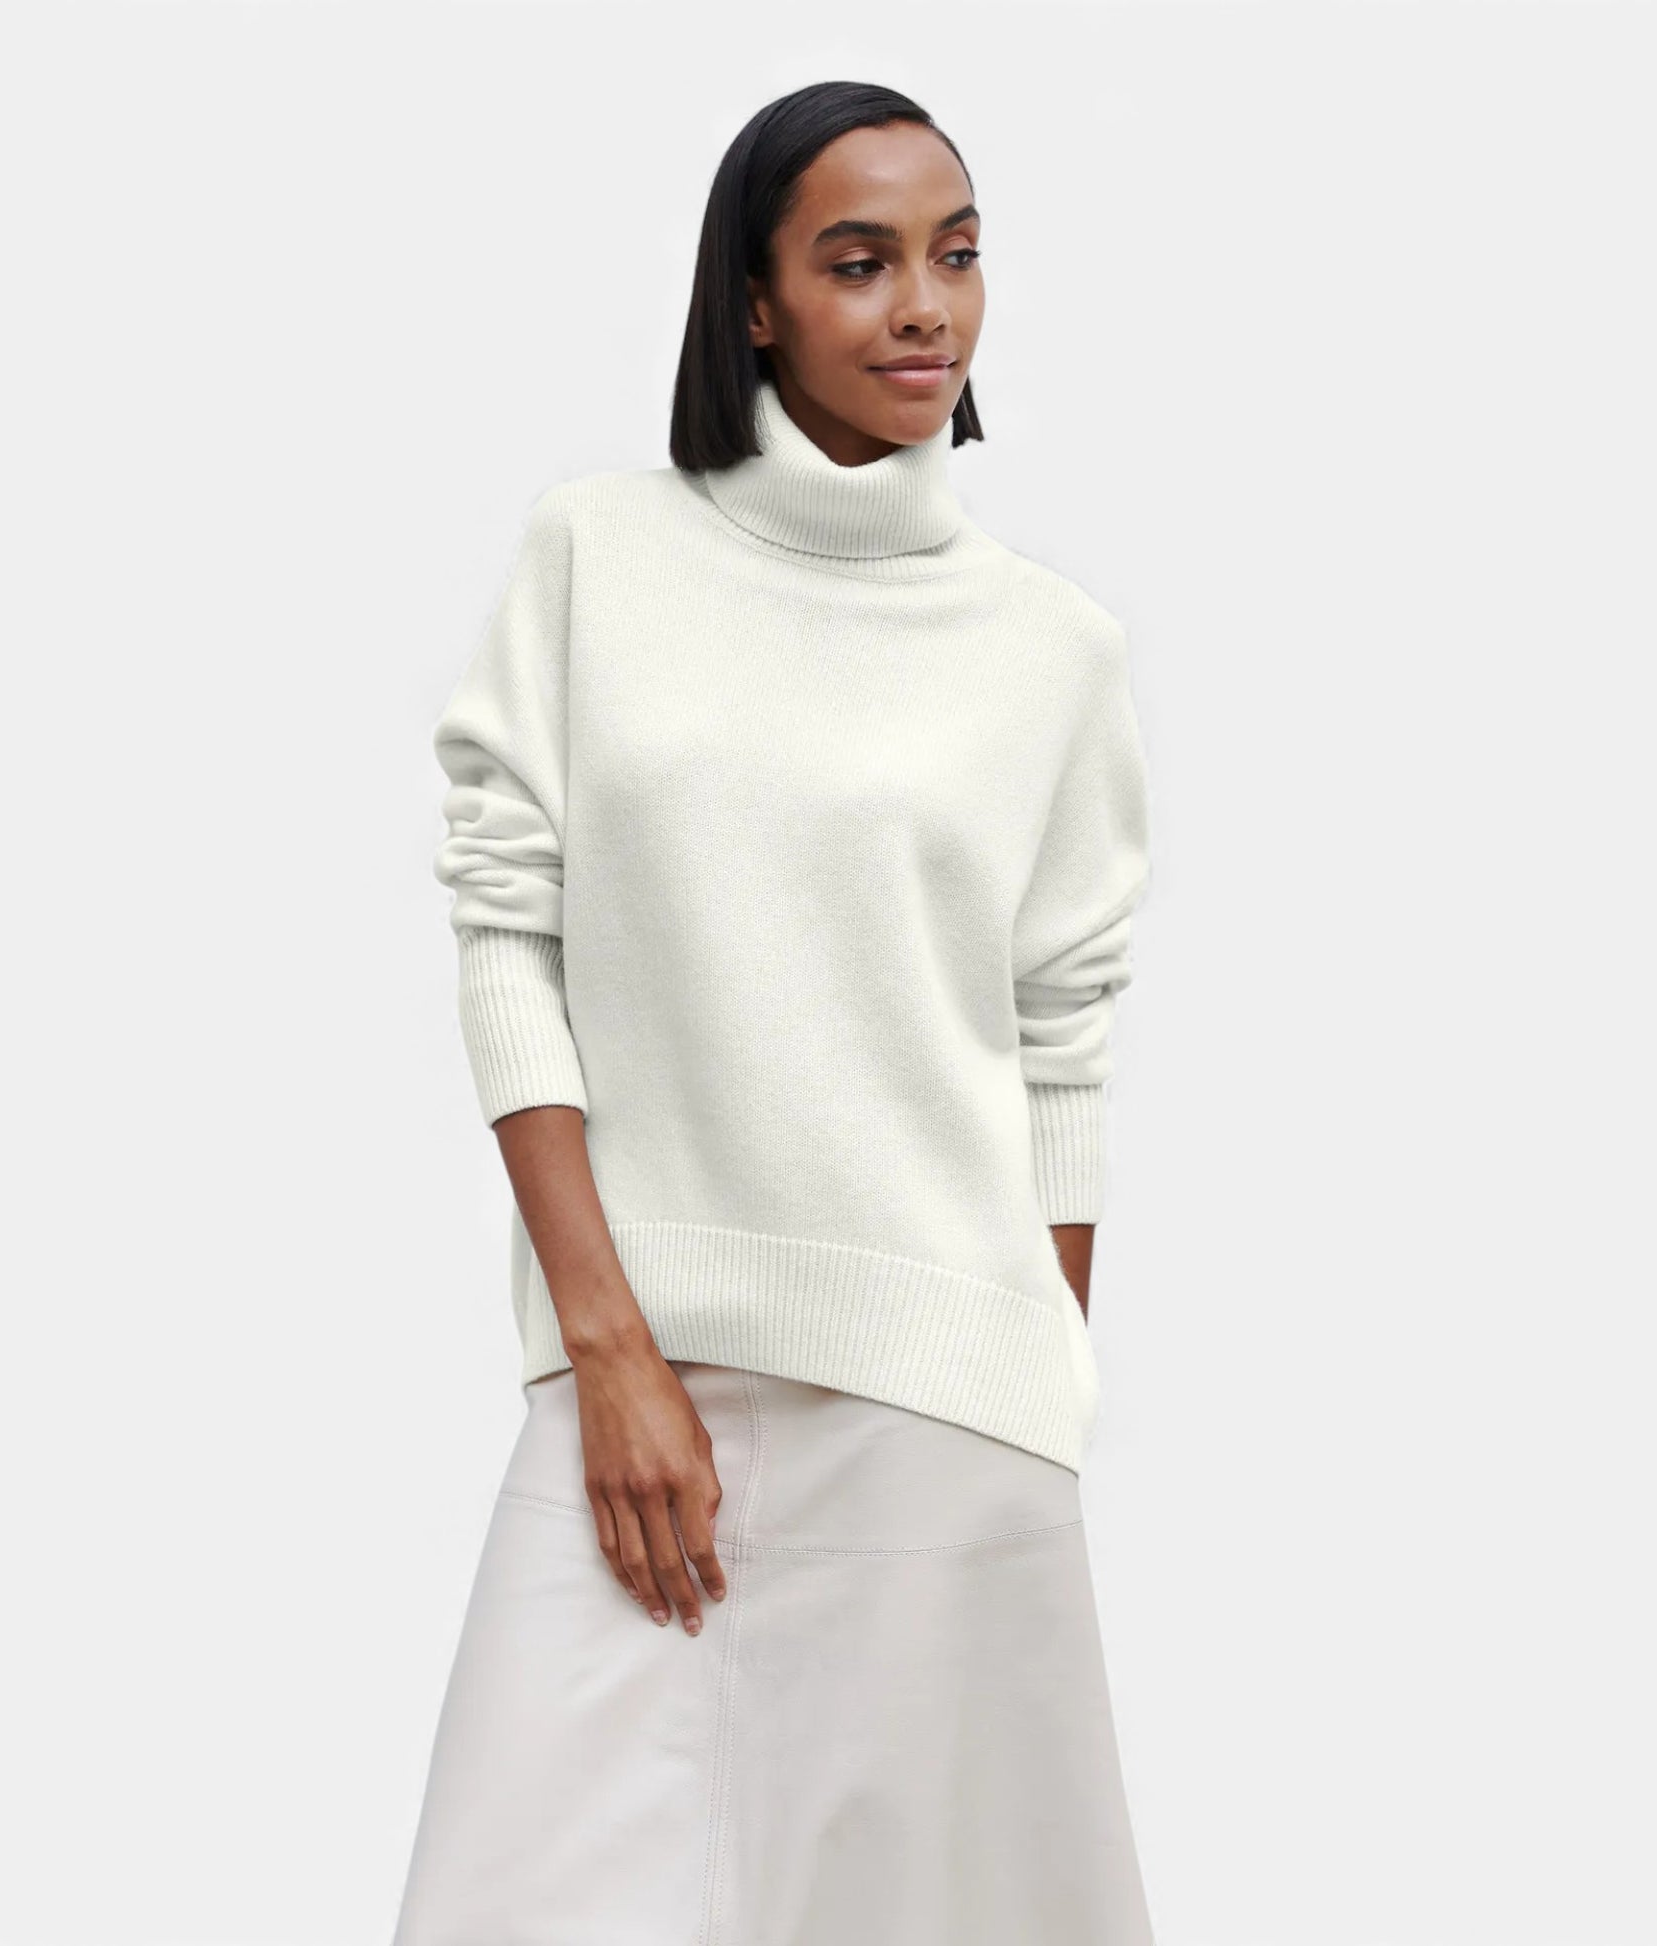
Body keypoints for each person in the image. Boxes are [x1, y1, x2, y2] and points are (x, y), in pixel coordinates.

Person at [390, 79, 1157, 1946]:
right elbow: (508, 938)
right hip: (641, 1379)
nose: (925, 307)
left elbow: (1062, 1040)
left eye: (955, 255)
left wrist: (1033, 1375)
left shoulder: (1051, 650)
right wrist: (606, 1346)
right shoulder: (597, 555)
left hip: (950, 1419)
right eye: (859, 261)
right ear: (753, 300)